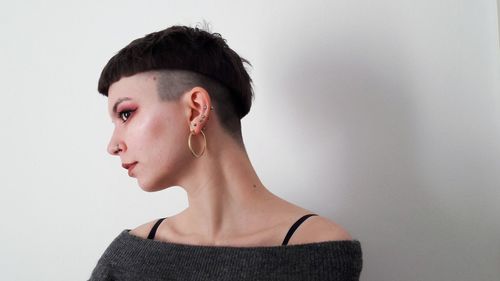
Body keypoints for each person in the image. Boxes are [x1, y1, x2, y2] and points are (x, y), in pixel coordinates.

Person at [88, 24, 363, 281]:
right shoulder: (129, 256)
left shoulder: (318, 251)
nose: (113, 145)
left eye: (126, 114)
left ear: (196, 109)